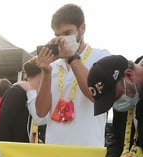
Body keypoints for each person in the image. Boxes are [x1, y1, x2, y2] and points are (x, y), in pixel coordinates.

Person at [34, 3, 110, 147]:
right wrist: (46, 72)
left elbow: (97, 96)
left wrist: (72, 58)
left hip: (87, 151)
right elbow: (41, 112)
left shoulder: (100, 57)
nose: (62, 40)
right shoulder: (53, 65)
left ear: (82, 29)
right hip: (54, 151)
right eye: (58, 35)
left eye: (68, 33)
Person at [0, 57, 46, 143]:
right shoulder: (16, 92)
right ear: (41, 74)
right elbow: (3, 127)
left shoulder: (38, 95)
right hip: (14, 151)